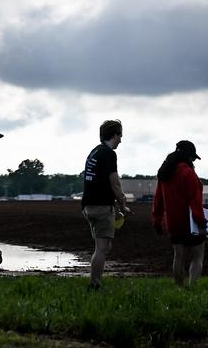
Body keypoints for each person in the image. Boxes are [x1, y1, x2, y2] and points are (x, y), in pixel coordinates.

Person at [82, 119, 131, 290]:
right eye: (120, 136)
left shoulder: (94, 152)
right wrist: (123, 204)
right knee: (102, 248)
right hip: (101, 206)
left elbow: (97, 181)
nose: (121, 140)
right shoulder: (109, 154)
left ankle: (95, 281)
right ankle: (95, 283)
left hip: (88, 206)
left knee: (101, 246)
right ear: (114, 135)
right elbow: (114, 182)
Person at [151, 139, 206, 287]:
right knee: (198, 255)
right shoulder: (188, 174)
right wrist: (201, 224)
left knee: (179, 256)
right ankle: (192, 287)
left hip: (173, 223)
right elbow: (195, 202)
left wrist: (157, 220)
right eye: (193, 158)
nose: (194, 161)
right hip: (190, 223)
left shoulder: (165, 174)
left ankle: (179, 289)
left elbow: (158, 200)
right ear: (188, 157)